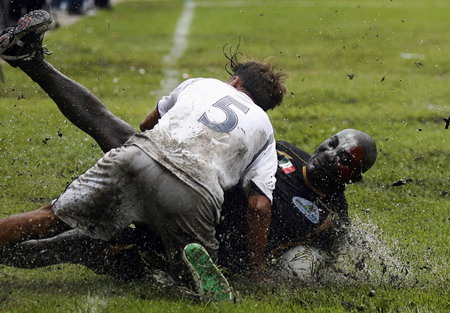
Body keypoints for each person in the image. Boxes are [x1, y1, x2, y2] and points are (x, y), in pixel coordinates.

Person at [0, 10, 287, 300]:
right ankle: (188, 275)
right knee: (191, 274)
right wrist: (257, 269)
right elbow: (259, 206)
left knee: (51, 216)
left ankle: (27, 60)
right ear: (263, 105)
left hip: (137, 159)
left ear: (235, 82)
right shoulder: (264, 128)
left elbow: (146, 125)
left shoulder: (202, 84)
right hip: (195, 192)